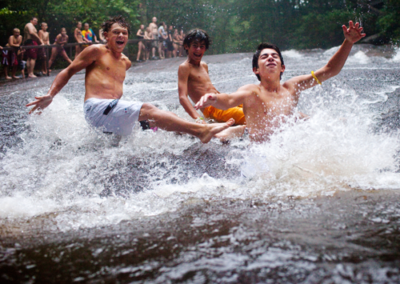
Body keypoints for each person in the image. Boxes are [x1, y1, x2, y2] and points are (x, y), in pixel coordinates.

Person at [26, 16, 233, 144]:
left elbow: (117, 94)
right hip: (96, 108)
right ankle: (201, 131)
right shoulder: (96, 51)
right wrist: (51, 95)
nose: (121, 36)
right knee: (150, 108)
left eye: (124, 33)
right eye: (116, 32)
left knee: (162, 120)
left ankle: (215, 136)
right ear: (106, 35)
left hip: (111, 116)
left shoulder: (126, 62)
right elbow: (68, 71)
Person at [195, 21, 366, 143]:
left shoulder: (292, 87)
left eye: (274, 56)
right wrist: (213, 99)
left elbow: (329, 70)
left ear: (282, 67)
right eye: (264, 57)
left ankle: (238, 130)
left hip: (286, 146)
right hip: (260, 149)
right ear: (256, 69)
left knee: (328, 123)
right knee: (221, 136)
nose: (270, 58)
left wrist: (348, 42)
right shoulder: (252, 91)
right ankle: (222, 131)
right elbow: (229, 100)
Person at [178, 29, 246, 128]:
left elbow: (209, 88)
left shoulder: (204, 65)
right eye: (195, 46)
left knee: (254, 104)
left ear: (205, 48)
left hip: (221, 101)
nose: (198, 49)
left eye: (202, 46)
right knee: (249, 115)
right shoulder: (185, 67)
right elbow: (182, 97)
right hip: (212, 109)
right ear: (186, 46)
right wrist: (198, 119)